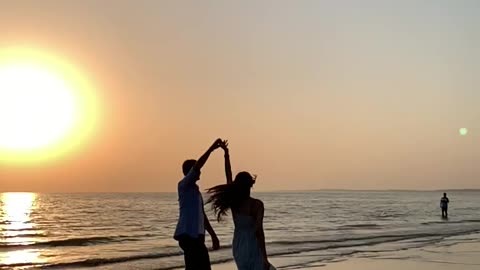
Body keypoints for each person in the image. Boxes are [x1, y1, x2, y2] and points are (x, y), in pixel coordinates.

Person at [207, 140, 272, 270]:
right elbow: (259, 231)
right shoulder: (257, 205)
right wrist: (264, 257)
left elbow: (228, 175)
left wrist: (226, 154)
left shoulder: (234, 202)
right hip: (253, 245)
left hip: (238, 245)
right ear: (250, 185)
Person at [174, 139, 222, 270]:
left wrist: (213, 235)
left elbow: (202, 215)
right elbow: (198, 165)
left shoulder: (196, 192)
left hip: (197, 236)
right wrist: (211, 149)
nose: (200, 174)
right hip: (188, 235)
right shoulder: (183, 185)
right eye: (197, 171)